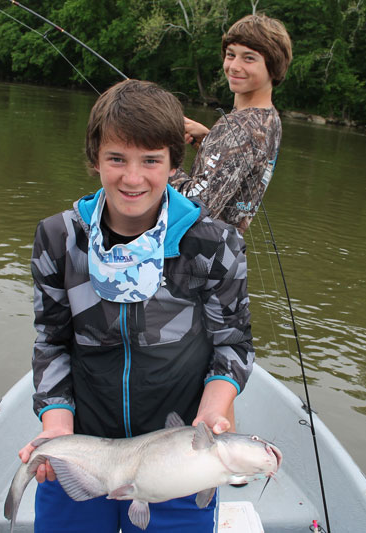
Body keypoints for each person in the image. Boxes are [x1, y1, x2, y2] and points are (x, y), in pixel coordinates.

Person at [17, 79, 254, 532]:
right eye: (116, 159)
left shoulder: (213, 243)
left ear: (172, 162)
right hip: (83, 452)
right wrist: (57, 428)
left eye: (151, 160)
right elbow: (51, 342)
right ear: (95, 160)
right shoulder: (58, 239)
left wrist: (211, 413)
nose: (132, 177)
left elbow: (233, 346)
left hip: (179, 461)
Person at [170, 13, 293, 234]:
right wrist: (210, 140)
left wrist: (166, 160)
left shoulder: (236, 128)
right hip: (227, 253)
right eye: (230, 55)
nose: (234, 66)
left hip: (199, 256)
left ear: (273, 67)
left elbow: (193, 207)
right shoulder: (270, 118)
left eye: (249, 58)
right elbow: (241, 167)